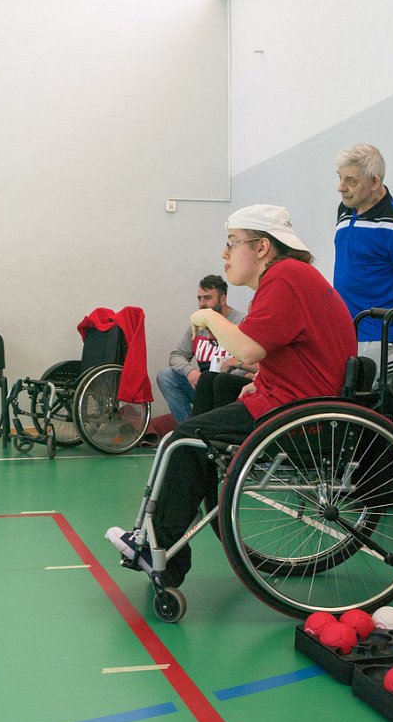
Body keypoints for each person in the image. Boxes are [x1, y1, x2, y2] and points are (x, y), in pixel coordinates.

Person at [108, 205, 356, 588]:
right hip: (298, 402)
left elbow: (248, 350)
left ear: (261, 247)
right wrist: (263, 379)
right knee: (211, 384)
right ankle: (197, 492)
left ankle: (164, 546)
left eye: (232, 243)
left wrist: (208, 316)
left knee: (183, 437)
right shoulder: (290, 278)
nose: (224, 254)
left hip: (298, 416)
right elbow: (292, 353)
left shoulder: (285, 277)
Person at [332, 144, 393, 374]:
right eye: (340, 178)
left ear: (374, 182)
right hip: (347, 332)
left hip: (381, 338)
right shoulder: (345, 209)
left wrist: (391, 320)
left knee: (372, 397)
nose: (341, 187)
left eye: (350, 181)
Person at [155, 274, 249, 424]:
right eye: (199, 298)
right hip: (202, 384)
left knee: (220, 383)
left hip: (227, 387)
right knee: (166, 376)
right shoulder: (198, 323)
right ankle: (187, 427)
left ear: (222, 299)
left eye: (207, 298)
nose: (202, 304)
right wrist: (191, 372)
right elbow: (177, 355)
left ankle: (200, 427)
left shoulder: (241, 322)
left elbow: (251, 361)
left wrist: (222, 378)